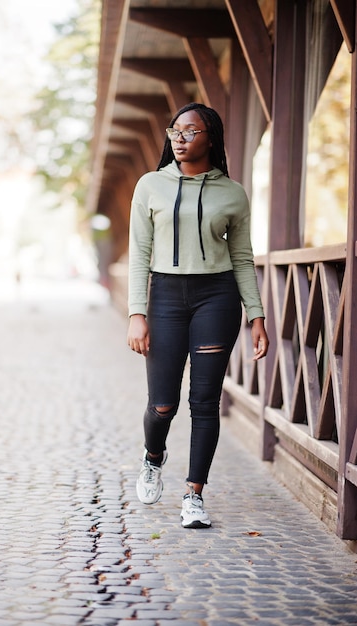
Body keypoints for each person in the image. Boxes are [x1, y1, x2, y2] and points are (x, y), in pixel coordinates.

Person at [127, 102, 269, 529]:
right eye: (175, 130)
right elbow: (140, 254)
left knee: (205, 402)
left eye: (190, 131)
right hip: (166, 297)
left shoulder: (233, 193)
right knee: (163, 405)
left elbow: (242, 258)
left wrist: (256, 315)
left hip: (217, 297)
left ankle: (194, 495)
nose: (180, 138)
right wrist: (138, 312)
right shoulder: (150, 185)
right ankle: (154, 457)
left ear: (211, 138)